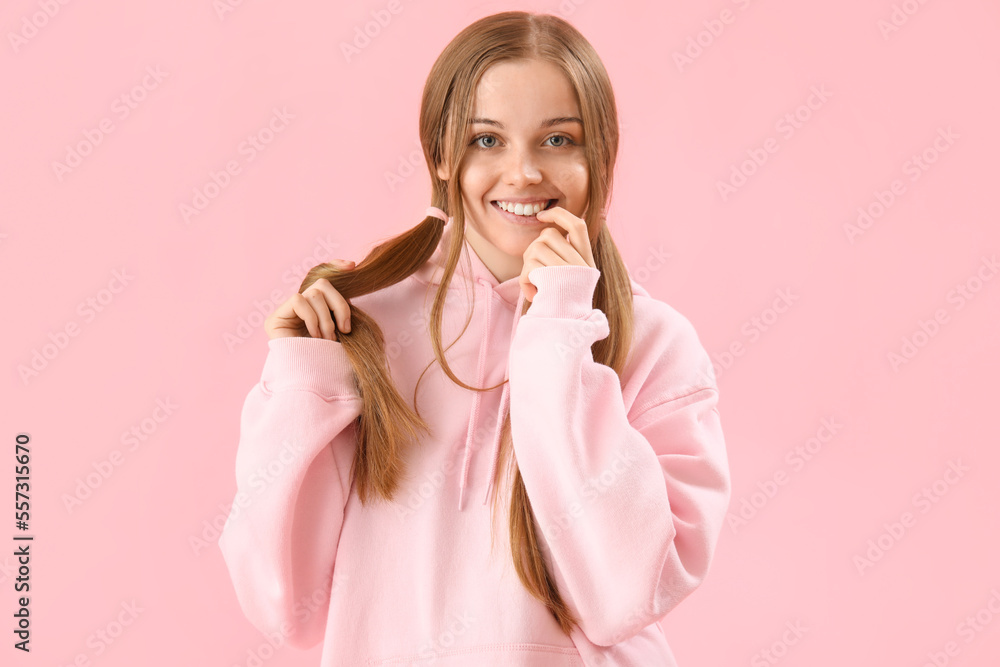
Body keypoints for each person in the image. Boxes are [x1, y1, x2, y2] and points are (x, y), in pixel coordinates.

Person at [218, 10, 731, 667]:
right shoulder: (364, 326)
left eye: (558, 140)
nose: (522, 173)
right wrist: (303, 379)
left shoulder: (657, 343)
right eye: (487, 140)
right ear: (441, 154)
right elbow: (283, 604)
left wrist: (561, 330)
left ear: (599, 153)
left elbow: (622, 595)